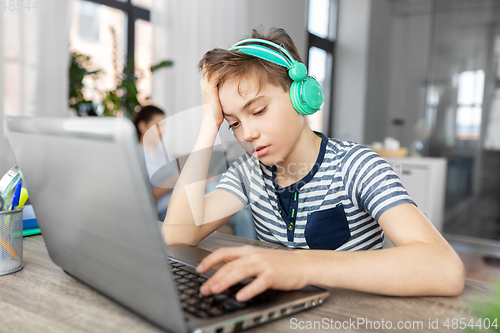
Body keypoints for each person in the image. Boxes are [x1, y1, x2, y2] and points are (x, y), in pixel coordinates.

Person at [162, 28, 465, 302]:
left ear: (301, 97)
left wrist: (300, 266)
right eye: (234, 124)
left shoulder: (357, 166)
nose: (247, 134)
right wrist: (209, 123)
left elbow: (445, 267)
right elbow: (176, 237)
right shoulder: (248, 173)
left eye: (258, 110)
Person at [134, 105, 178, 221]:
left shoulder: (164, 153)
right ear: (143, 127)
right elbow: (144, 199)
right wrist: (171, 181)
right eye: (159, 125)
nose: (163, 130)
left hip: (181, 201)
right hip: (165, 210)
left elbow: (178, 179)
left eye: (164, 126)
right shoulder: (136, 156)